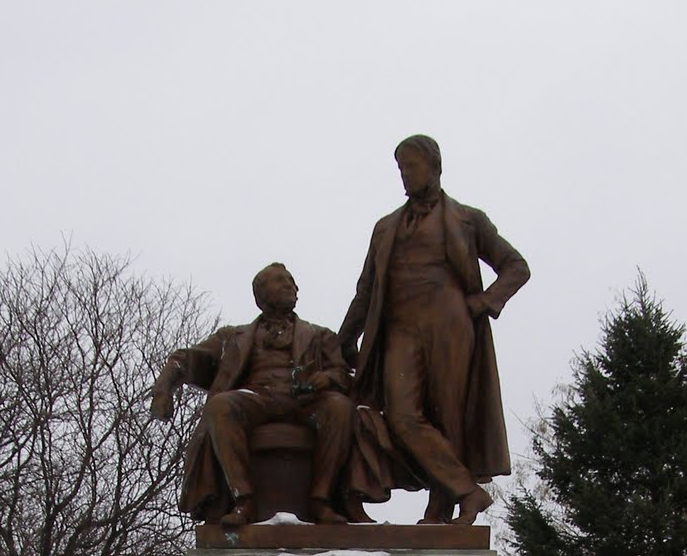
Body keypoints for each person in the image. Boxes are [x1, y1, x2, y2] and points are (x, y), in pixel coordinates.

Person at [338, 135, 529, 524]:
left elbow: (515, 266)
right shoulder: (385, 227)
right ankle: (467, 491)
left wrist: (485, 301)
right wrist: (344, 337)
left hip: (450, 326)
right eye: (400, 169)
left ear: (434, 167)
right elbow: (367, 290)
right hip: (400, 330)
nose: (405, 176)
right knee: (402, 416)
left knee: (449, 417)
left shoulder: (467, 219)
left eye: (411, 167)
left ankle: (442, 508)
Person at [150, 263, 360, 527]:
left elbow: (343, 375)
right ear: (260, 295)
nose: (290, 285)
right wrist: (163, 388)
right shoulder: (232, 337)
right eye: (280, 280)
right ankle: (244, 499)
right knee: (221, 406)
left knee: (340, 407)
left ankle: (321, 499)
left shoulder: (320, 336)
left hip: (306, 401)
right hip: (257, 398)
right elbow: (186, 358)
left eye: (292, 281)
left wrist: (325, 378)